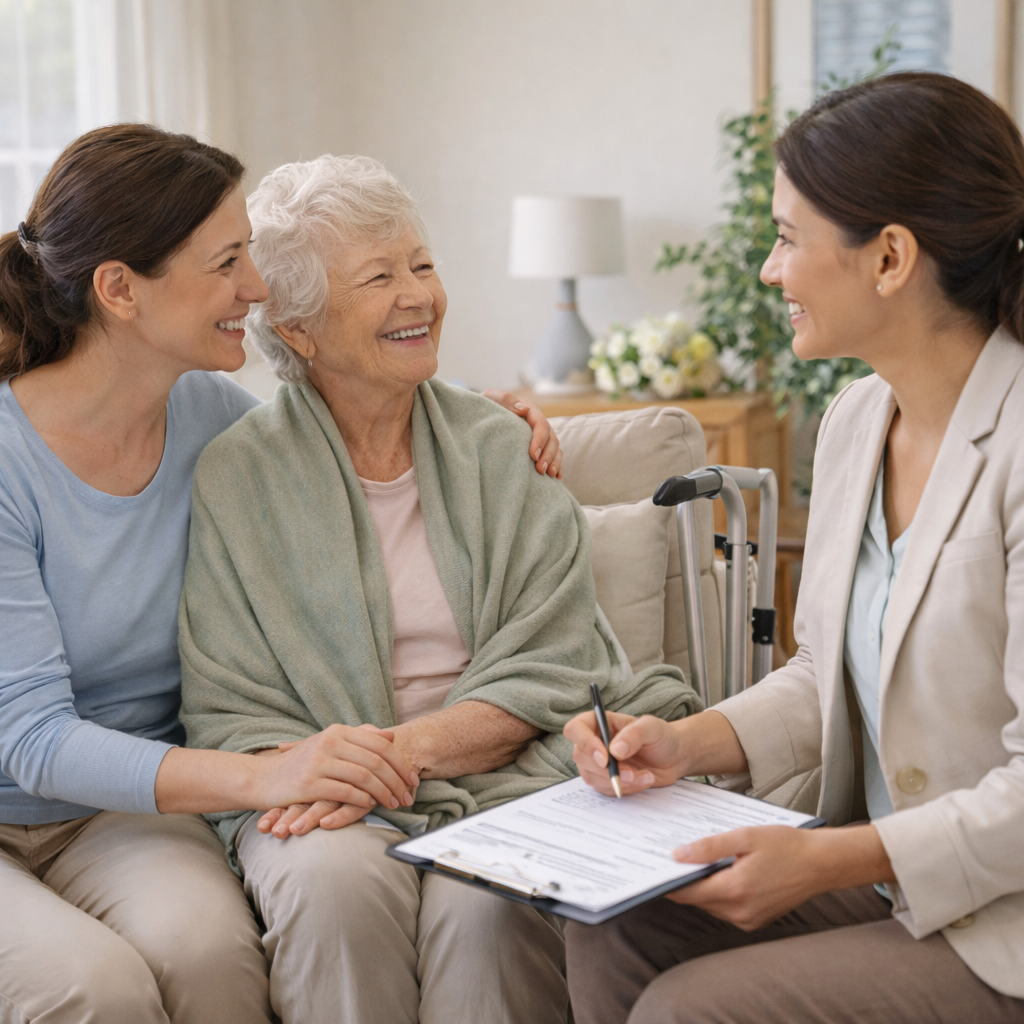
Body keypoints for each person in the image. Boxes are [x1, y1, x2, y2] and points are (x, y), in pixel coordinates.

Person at [0, 124, 563, 1024]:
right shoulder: (12, 459)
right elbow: (28, 738)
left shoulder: (214, 420)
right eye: (228, 263)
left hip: (125, 817)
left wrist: (484, 418)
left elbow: (351, 412)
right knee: (96, 988)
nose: (254, 292)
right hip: (31, 792)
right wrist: (266, 776)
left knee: (213, 955)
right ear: (119, 290)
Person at [177, 153, 701, 1024]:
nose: (417, 294)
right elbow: (231, 701)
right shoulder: (237, 475)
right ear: (299, 328)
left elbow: (557, 659)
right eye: (380, 277)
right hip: (317, 789)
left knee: (488, 901)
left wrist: (403, 755)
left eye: (422, 265)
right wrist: (330, 771)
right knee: (333, 890)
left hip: (512, 767)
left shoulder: (504, 446)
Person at [563, 72, 1024, 1024]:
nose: (770, 272)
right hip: (903, 887)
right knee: (611, 927)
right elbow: (823, 673)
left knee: (688, 1008)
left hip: (1005, 924)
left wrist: (828, 857)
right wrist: (684, 744)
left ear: (890, 256)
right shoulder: (858, 419)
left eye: (786, 237)